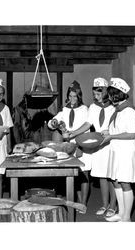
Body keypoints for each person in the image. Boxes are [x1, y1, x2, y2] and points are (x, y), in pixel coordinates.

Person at [69, 78, 116, 217]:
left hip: (111, 143)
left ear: (106, 91)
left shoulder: (114, 106)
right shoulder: (93, 107)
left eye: (99, 93)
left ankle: (113, 206)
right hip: (98, 144)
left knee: (111, 177)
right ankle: (104, 204)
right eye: (94, 93)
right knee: (101, 175)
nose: (96, 96)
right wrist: (75, 132)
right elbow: (88, 124)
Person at [101, 78, 135, 222]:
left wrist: (111, 135)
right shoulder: (118, 110)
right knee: (116, 181)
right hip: (116, 150)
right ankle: (121, 212)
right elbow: (118, 129)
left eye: (111, 95)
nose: (109, 99)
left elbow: (131, 134)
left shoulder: (129, 111)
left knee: (124, 183)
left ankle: (127, 217)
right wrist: (107, 132)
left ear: (116, 95)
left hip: (125, 152)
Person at [48, 80, 91, 209]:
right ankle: (78, 200)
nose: (72, 98)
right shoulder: (65, 110)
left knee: (84, 173)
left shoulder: (85, 109)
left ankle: (83, 203)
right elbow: (51, 123)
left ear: (79, 96)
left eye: (75, 96)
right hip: (69, 146)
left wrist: (76, 139)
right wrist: (54, 122)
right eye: (70, 96)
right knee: (74, 174)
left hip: (81, 143)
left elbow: (87, 127)